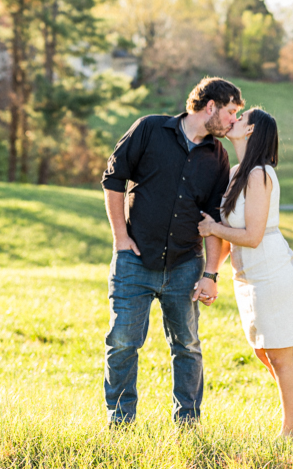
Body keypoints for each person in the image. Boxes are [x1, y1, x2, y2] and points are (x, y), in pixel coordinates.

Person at [100, 77, 243, 426]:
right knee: (122, 343)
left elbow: (213, 219)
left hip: (185, 265)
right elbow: (113, 178)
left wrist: (210, 274)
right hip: (135, 260)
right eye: (231, 112)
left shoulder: (218, 156)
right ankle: (120, 423)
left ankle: (188, 424)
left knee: (187, 347)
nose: (233, 122)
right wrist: (121, 238)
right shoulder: (149, 129)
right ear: (210, 106)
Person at [197, 107, 293, 437]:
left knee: (281, 355)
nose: (232, 120)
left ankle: (290, 433)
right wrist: (211, 273)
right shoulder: (240, 171)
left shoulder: (260, 174)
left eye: (240, 118)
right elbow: (230, 233)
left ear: (251, 131)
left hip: (269, 270)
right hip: (248, 275)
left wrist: (212, 227)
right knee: (263, 352)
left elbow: (252, 236)